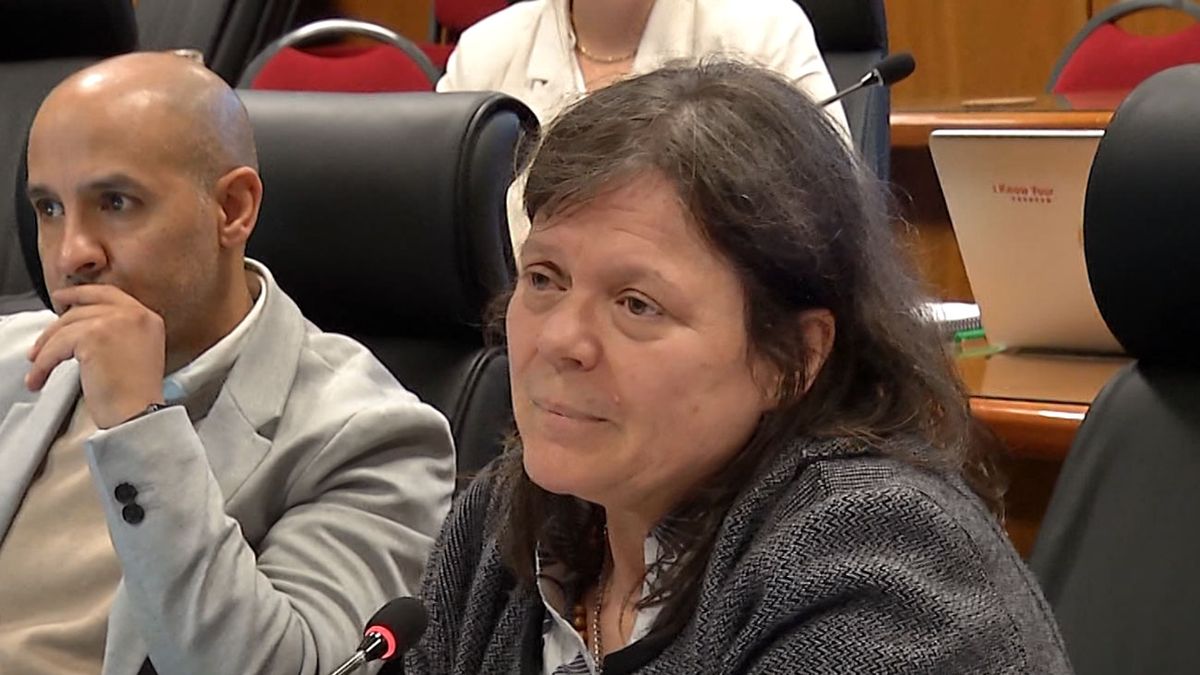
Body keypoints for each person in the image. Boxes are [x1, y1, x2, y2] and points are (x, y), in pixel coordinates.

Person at [399, 60, 1073, 674]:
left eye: (636, 304)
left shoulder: (877, 566)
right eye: (545, 278)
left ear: (793, 359)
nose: (560, 339)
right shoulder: (504, 522)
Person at [0, 52, 455, 674]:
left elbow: (283, 668)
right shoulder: (12, 356)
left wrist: (139, 429)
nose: (70, 254)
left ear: (233, 208)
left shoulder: (369, 436)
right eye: (49, 209)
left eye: (115, 202)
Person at [437, 0, 850, 253]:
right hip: (516, 343)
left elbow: (826, 221)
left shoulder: (764, 32)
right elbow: (441, 238)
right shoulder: (485, 51)